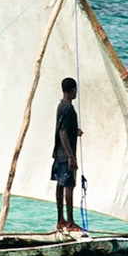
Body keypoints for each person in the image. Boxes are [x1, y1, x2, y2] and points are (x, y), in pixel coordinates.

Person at [52, 77, 83, 236]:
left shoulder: (61, 106)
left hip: (58, 153)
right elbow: (62, 132)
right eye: (75, 90)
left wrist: (75, 132)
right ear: (71, 90)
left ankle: (60, 220)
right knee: (68, 186)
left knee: (60, 185)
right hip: (65, 154)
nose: (76, 92)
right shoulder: (67, 108)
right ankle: (70, 222)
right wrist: (71, 156)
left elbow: (65, 129)